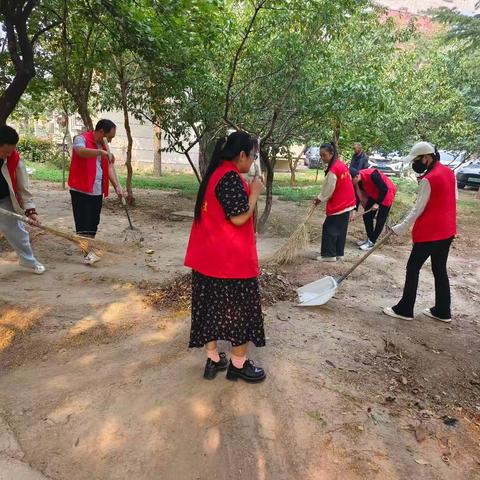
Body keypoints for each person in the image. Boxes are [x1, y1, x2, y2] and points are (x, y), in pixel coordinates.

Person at [184, 131, 267, 383]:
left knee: (209, 310)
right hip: (229, 263)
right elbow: (239, 217)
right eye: (252, 156)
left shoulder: (214, 174)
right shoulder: (230, 178)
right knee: (238, 313)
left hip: (207, 259)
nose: (253, 161)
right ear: (241, 155)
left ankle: (213, 360)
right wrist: (255, 192)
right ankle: (238, 365)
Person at [383, 142, 456, 323]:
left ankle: (405, 309)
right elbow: (450, 198)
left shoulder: (428, 179)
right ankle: (442, 310)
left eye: (417, 159)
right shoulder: (448, 172)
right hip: (447, 231)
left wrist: (400, 227)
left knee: (413, 267)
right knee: (439, 269)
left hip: (431, 233)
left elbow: (418, 209)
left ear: (427, 157)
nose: (416, 163)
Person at [68, 119, 123, 264]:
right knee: (82, 221)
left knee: (93, 221)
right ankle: (87, 253)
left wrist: (117, 186)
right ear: (101, 132)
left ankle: (88, 247)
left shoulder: (104, 146)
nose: (110, 141)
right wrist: (100, 152)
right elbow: (80, 152)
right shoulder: (81, 139)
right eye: (109, 137)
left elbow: (109, 167)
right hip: (80, 189)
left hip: (97, 190)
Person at [0, 125, 45, 274]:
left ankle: (28, 261)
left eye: (10, 151)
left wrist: (30, 210)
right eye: (5, 151)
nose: (8, 154)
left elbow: (23, 188)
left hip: (4, 199)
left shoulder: (15, 160)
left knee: (17, 232)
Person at [313, 143, 356, 262]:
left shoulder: (334, 169)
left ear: (331, 154)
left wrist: (320, 198)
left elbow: (329, 188)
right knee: (341, 229)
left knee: (329, 227)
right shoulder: (340, 165)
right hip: (348, 202)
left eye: (324, 155)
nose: (322, 157)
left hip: (340, 203)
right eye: (320, 155)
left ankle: (329, 255)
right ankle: (338, 253)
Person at [351, 167, 397, 251]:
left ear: (356, 176)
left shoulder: (372, 174)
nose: (350, 183)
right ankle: (370, 238)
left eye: (351, 180)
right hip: (375, 193)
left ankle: (372, 242)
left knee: (380, 219)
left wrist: (377, 203)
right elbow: (357, 196)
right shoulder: (358, 181)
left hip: (387, 193)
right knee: (367, 216)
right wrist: (354, 211)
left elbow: (384, 189)